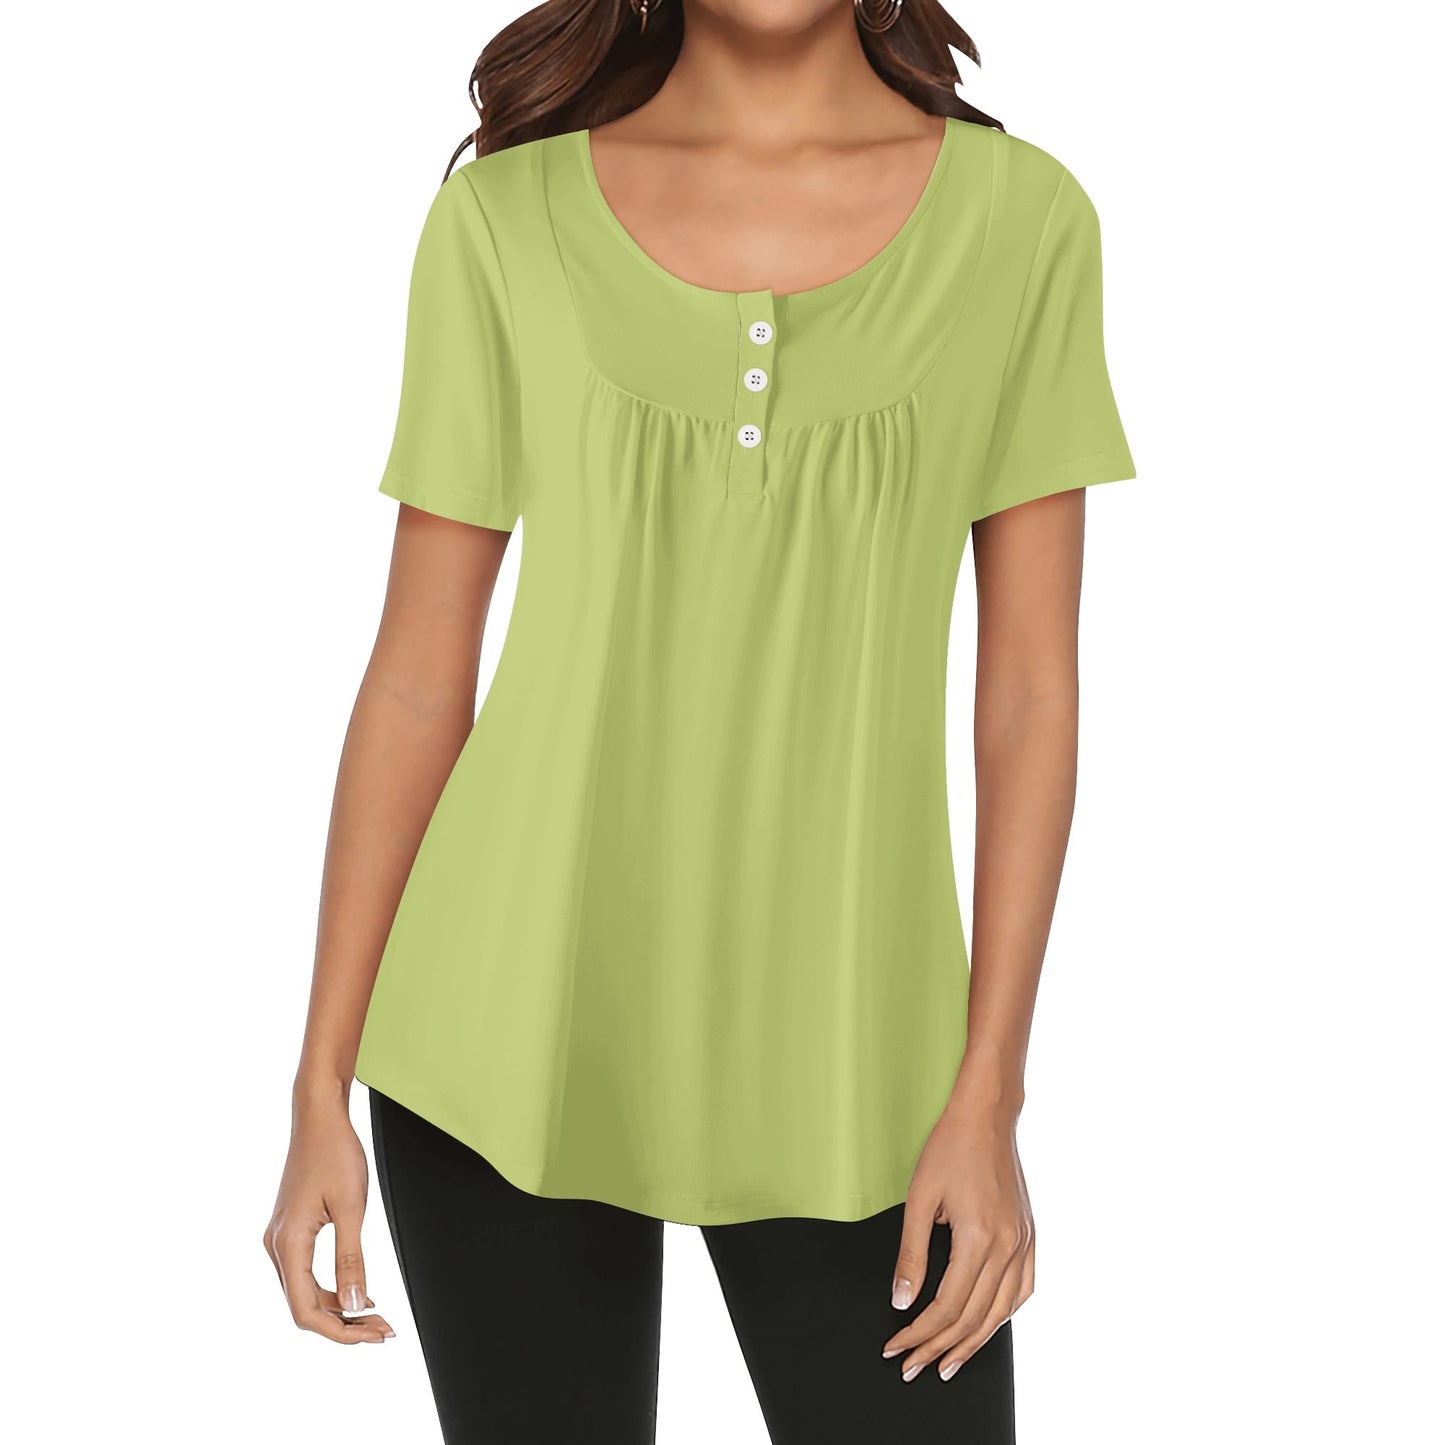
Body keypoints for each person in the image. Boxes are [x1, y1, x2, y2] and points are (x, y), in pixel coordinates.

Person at [262, 0, 1138, 1439]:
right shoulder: (504, 221)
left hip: (863, 1067)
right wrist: (318, 1085)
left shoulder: (1023, 224)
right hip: (504, 1034)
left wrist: (988, 1093)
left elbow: (1031, 692)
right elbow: (419, 672)